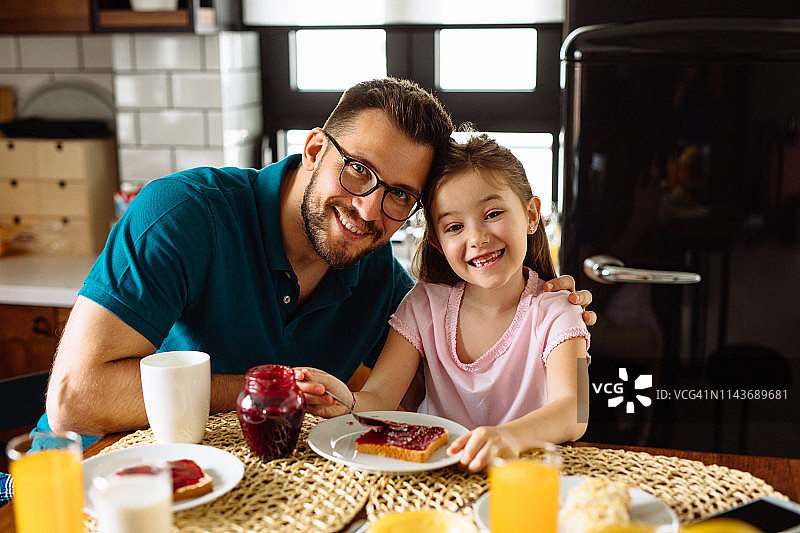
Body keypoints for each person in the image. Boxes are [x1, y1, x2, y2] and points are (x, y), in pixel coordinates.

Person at [42, 78, 594, 443]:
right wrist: (268, 387)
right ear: (313, 150)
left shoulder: (377, 276)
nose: (368, 209)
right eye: (357, 170)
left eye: (399, 195)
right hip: (83, 469)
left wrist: (527, 304)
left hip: (241, 483)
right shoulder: (184, 214)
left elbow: (418, 384)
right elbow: (75, 399)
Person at [297, 134, 590, 472]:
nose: (477, 238)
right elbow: (378, 399)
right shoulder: (423, 305)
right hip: (435, 481)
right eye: (454, 227)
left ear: (531, 215)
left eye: (493, 213)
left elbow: (574, 411)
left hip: (522, 479)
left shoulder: (558, 310)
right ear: (437, 242)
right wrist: (343, 399)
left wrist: (507, 438)